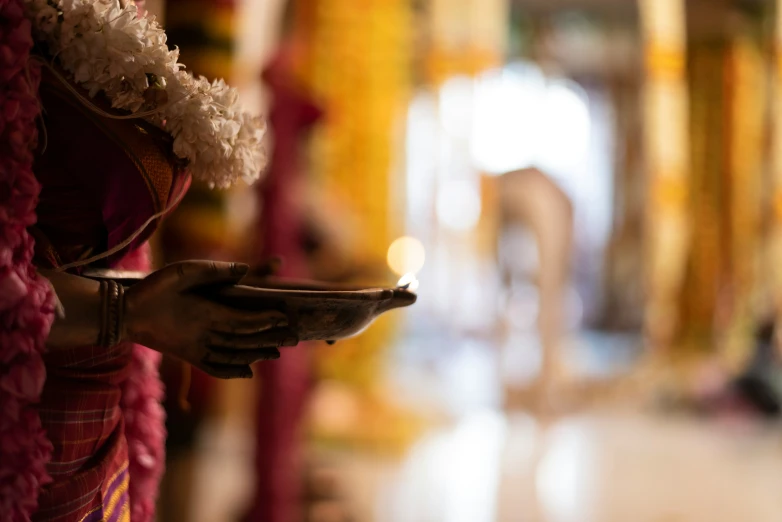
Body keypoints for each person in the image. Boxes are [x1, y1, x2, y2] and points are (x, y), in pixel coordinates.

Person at [0, 2, 293, 520]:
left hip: (96, 436)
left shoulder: (127, 16)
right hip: (19, 431)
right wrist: (128, 311)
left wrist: (155, 302)